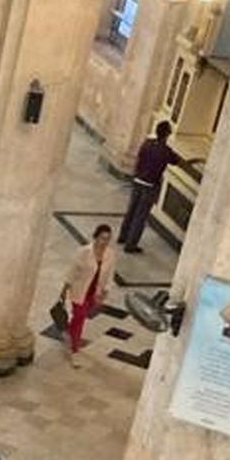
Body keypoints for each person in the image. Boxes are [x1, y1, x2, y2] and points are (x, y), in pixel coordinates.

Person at [119, 119, 179, 252]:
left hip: (138, 180)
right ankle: (131, 244)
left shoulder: (147, 144)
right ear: (167, 135)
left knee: (131, 209)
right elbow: (175, 161)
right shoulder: (165, 150)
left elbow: (140, 157)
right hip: (150, 185)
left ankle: (122, 236)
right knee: (140, 215)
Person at [61, 223, 113, 363]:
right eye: (103, 238)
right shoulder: (83, 252)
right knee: (81, 317)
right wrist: (64, 289)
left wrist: (105, 291)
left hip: (94, 292)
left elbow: (109, 274)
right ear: (95, 237)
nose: (105, 242)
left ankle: (68, 332)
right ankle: (74, 349)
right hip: (80, 290)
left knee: (79, 317)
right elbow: (72, 271)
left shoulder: (110, 254)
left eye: (108, 239)